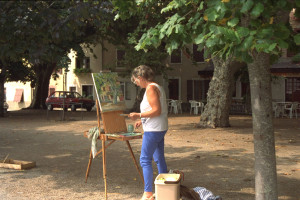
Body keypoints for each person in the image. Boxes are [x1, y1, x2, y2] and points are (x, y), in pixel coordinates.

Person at [129, 65, 168, 200]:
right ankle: (165, 187)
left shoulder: (151, 88)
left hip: (154, 129)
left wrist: (139, 115)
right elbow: (157, 111)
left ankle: (148, 193)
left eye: (135, 81)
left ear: (140, 78)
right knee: (158, 158)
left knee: (145, 160)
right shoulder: (157, 86)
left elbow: (156, 110)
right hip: (159, 127)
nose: (136, 83)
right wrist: (143, 119)